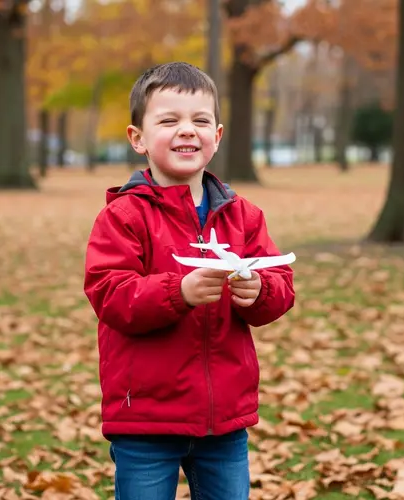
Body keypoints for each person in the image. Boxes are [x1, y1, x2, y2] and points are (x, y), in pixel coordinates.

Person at [84, 61, 295, 500]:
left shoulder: (243, 215)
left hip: (225, 420)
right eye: (169, 120)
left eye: (200, 120)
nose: (187, 130)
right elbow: (110, 294)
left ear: (216, 136)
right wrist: (177, 291)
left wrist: (258, 292)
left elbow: (280, 284)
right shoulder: (123, 216)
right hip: (145, 417)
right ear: (137, 138)